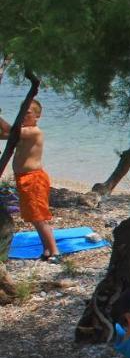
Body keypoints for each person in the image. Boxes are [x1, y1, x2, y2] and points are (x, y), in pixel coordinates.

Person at [0, 100, 59, 261]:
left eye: (28, 113)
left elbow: (9, 130)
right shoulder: (23, 132)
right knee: (34, 217)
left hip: (34, 179)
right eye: (22, 112)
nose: (24, 115)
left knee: (39, 217)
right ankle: (47, 250)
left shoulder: (34, 131)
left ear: (37, 116)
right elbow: (4, 134)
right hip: (23, 179)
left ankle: (54, 252)